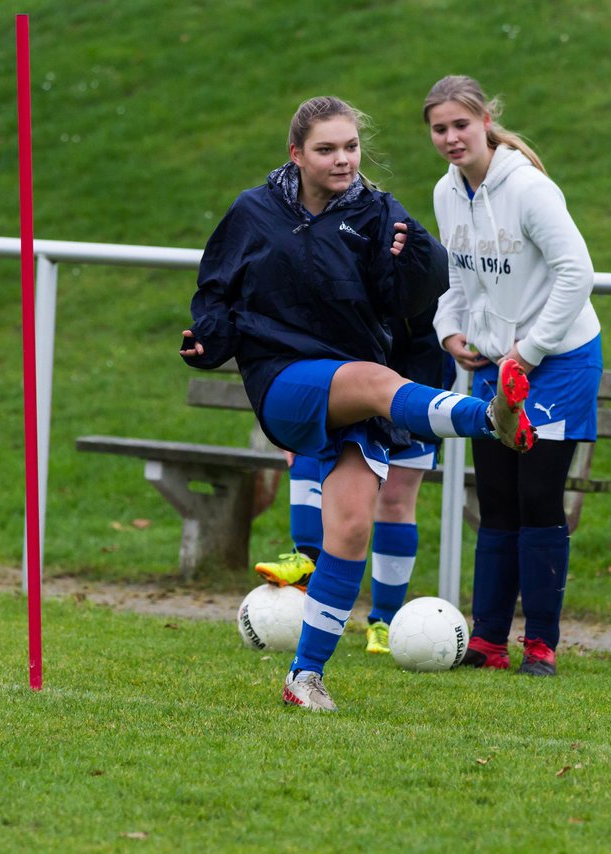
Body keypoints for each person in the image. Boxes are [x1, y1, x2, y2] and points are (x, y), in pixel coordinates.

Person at [181, 95, 536, 712]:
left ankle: (304, 678)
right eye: (326, 149)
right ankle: (489, 419)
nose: (343, 159)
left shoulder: (378, 214)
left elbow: (414, 301)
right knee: (375, 379)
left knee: (349, 529)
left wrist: (413, 262)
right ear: (296, 155)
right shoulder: (253, 212)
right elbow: (216, 291)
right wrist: (206, 341)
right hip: (284, 378)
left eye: (351, 147)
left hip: (360, 384)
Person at [422, 75, 603, 676]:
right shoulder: (446, 194)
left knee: (538, 499)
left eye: (460, 126)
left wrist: (528, 352)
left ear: (484, 121)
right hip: (500, 367)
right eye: (439, 128)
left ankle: (542, 646)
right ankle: (489, 642)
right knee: (495, 499)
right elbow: (457, 280)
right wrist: (450, 331)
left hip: (560, 360)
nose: (450, 138)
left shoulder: (528, 188)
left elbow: (577, 273)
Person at [254, 308, 455, 656]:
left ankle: (384, 622)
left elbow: (439, 301)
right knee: (311, 446)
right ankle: (307, 559)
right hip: (342, 378)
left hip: (413, 378)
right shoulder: (328, 258)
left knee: (394, 500)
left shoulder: (414, 258)